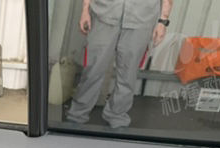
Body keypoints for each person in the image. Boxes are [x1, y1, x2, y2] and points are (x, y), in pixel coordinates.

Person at [67, 0, 173, 128]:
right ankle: (77, 114)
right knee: (93, 70)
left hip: (141, 20)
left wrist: (162, 22)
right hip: (104, 15)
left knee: (128, 75)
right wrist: (85, 10)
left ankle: (116, 116)